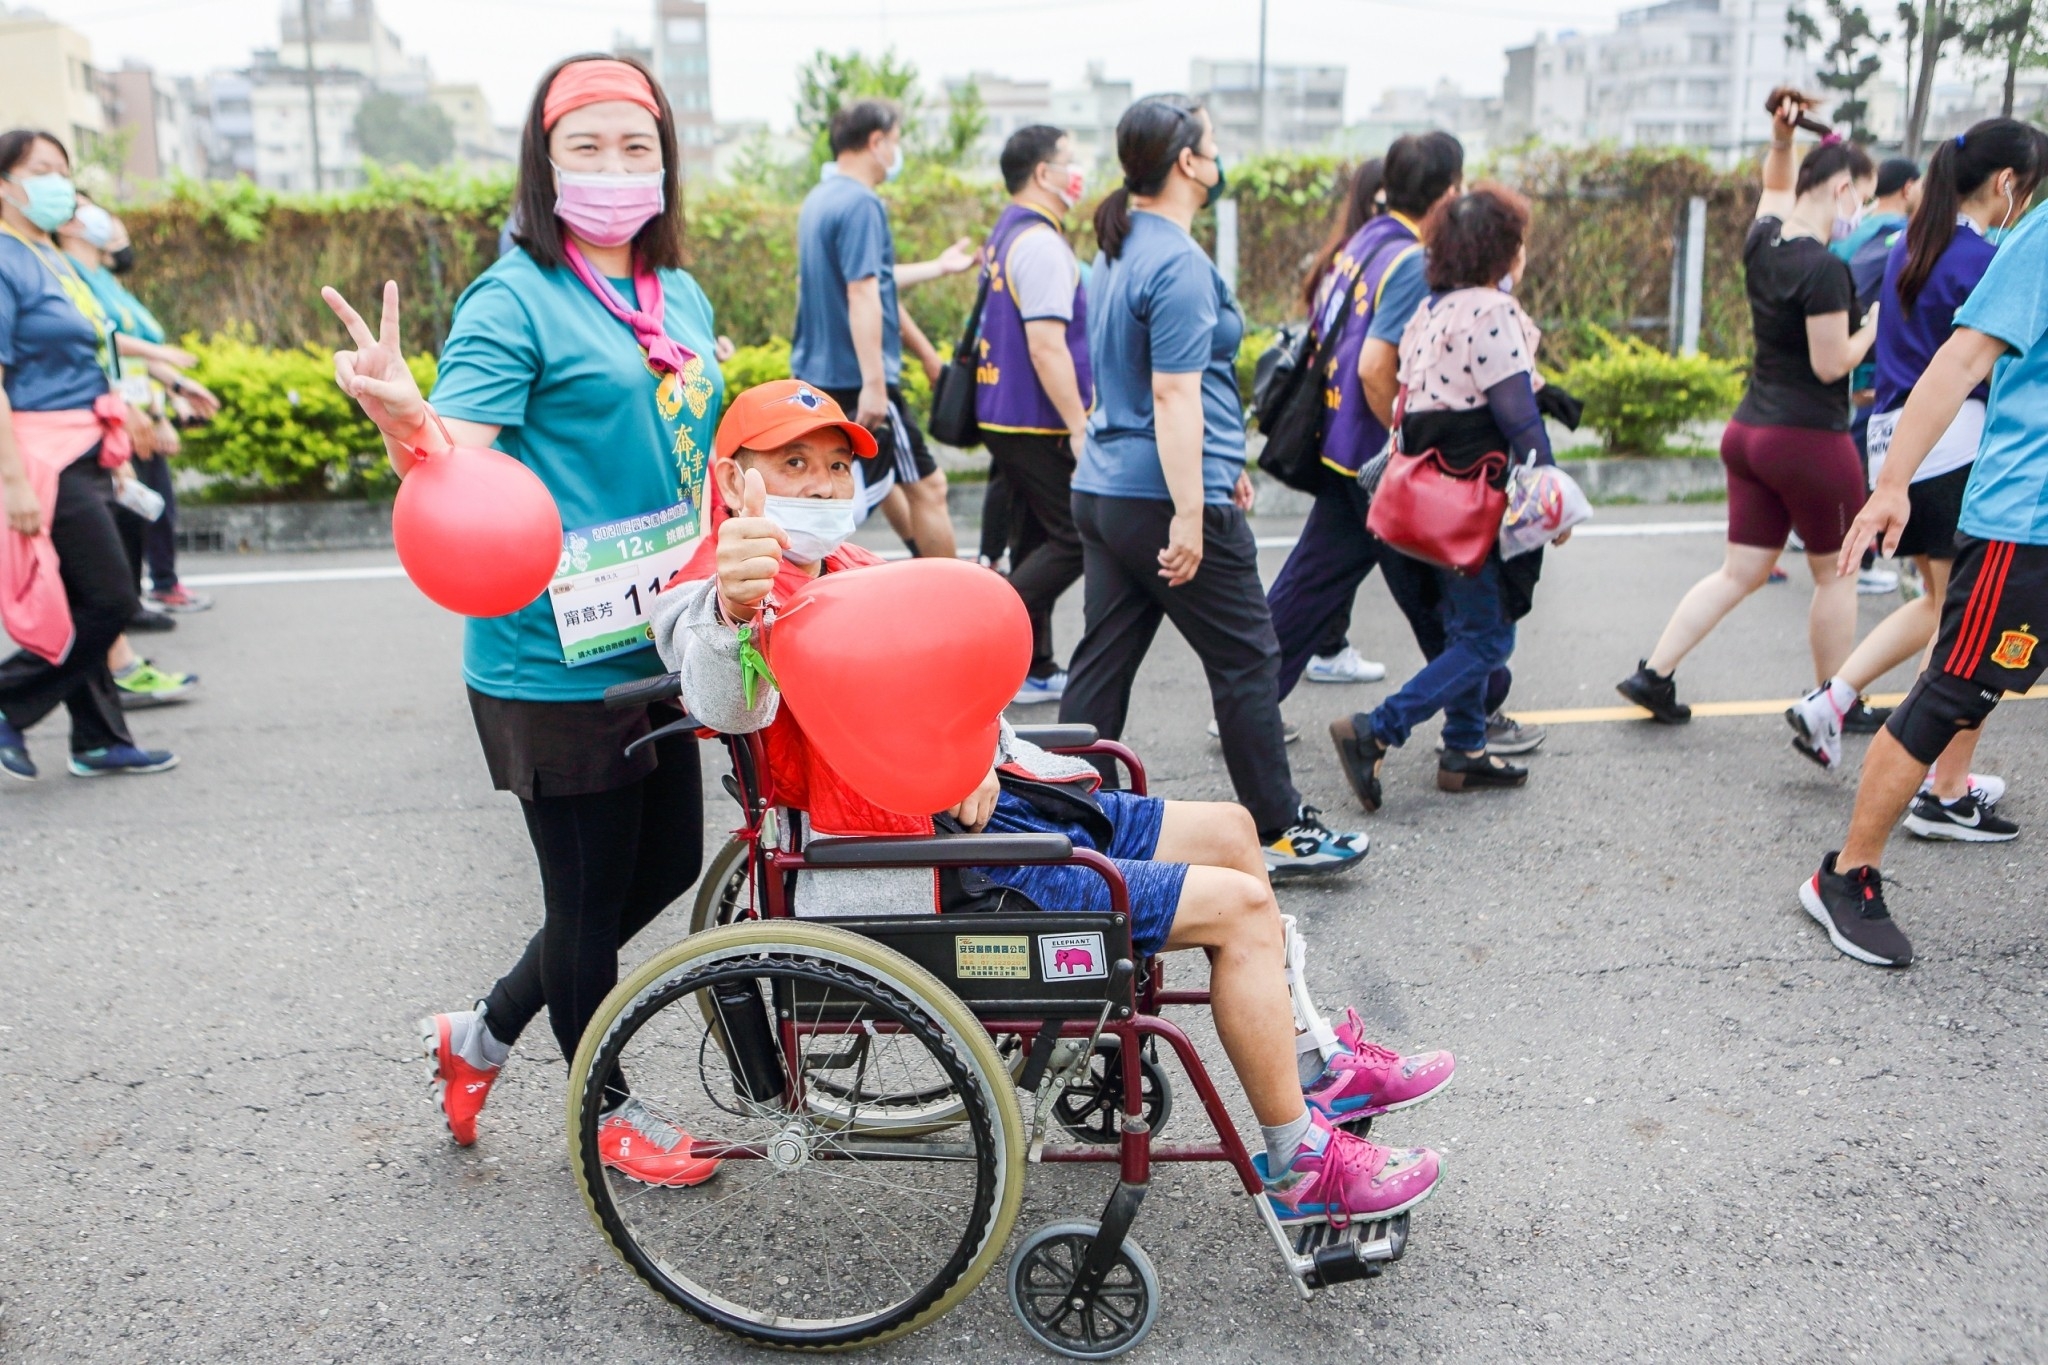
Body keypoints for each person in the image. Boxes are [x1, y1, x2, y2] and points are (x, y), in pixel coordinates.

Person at [655, 378, 1455, 1223]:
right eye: (792, 463)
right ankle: (1303, 1166)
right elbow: (721, 699)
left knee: (1228, 827)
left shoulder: (847, 564)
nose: (820, 485)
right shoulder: (721, 587)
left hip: (1005, 803)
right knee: (1243, 907)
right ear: (730, 473)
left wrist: (971, 749)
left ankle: (1309, 1060)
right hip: (932, 863)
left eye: (832, 465)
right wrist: (735, 608)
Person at [321, 55, 726, 1185]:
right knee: (587, 903)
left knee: (663, 867)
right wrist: (409, 417)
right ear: (544, 167)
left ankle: (480, 1036)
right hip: (550, 662)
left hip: (659, 639)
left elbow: (689, 452)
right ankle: (606, 1114)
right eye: (584, 148)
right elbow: (460, 465)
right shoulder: (512, 298)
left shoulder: (676, 293)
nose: (611, 168)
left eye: (633, 146)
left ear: (664, 160)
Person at [1056, 95, 1368, 879]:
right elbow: (1173, 394)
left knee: (1103, 663)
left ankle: (1053, 821)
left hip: (1104, 488)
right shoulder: (1179, 263)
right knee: (1247, 659)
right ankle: (1278, 829)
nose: (1220, 154)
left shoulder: (1119, 247)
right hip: (1161, 496)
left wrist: (1216, 468)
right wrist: (1193, 510)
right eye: (1214, 144)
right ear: (1187, 163)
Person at [1800, 175, 2048, 968]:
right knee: (1958, 685)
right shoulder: (2039, 239)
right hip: (2025, 519)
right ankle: (1846, 875)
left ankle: (1944, 797)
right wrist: (1892, 485)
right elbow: (1959, 359)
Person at [1618, 93, 1876, 724]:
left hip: (1749, 431)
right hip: (1808, 438)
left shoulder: (1764, 242)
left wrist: (1782, 136)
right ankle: (1831, 705)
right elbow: (1830, 363)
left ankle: (1654, 675)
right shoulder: (1826, 271)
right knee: (1837, 576)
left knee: (1741, 571)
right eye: (1861, 196)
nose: (1861, 211)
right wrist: (1874, 324)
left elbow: (1776, 182)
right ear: (1842, 188)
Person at [1329, 184, 1565, 808]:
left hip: (1422, 494)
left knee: (1467, 626)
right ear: (1501, 250)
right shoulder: (1492, 311)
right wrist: (1553, 498)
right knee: (1488, 641)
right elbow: (1519, 418)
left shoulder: (1431, 310)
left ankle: (1464, 750)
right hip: (1469, 497)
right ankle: (1375, 730)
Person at [0, 127, 177, 780]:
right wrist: (14, 483)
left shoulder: (52, 257)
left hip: (88, 442)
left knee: (85, 595)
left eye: (62, 170)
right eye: (40, 169)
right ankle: (8, 701)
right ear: (4, 184)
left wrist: (128, 428)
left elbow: (98, 349)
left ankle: (99, 738)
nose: (58, 183)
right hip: (41, 450)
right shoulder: (3, 258)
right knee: (110, 597)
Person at [790, 98, 975, 560]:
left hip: (819, 375)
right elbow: (863, 292)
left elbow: (876, 279)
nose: (896, 152)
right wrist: (876, 385)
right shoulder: (861, 203)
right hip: (858, 378)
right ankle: (950, 598)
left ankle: (914, 565)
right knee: (929, 486)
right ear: (876, 142)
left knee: (885, 477)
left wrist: (937, 267)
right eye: (895, 142)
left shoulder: (819, 200)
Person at [1259, 157, 1395, 695]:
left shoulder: (1344, 255)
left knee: (1319, 569)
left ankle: (1252, 699)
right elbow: (1373, 364)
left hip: (1337, 433)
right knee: (1441, 594)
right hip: (1370, 443)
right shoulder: (1390, 259)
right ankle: (1473, 712)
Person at [975, 124, 1092, 706]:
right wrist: (1077, 423)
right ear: (1043, 174)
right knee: (1073, 537)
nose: (1080, 172)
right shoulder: (1042, 242)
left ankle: (1034, 664)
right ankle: (985, 639)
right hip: (1037, 418)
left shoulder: (1006, 230)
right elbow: (1047, 344)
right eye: (1070, 160)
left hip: (1004, 410)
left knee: (1037, 537)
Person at [61, 196, 219, 615]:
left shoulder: (104, 280)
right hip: (107, 410)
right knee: (127, 510)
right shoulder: (67, 274)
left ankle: (136, 600)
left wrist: (175, 390)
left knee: (145, 503)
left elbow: (128, 355)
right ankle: (129, 605)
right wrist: (153, 397)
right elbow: (105, 343)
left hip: (130, 405)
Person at [1834, 156, 1919, 596]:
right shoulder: (1900, 239)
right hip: (1877, 363)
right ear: (1908, 188)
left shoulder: (1852, 233)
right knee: (1867, 458)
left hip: (1842, 356)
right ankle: (1858, 553)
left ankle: (1831, 537)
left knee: (1852, 449)